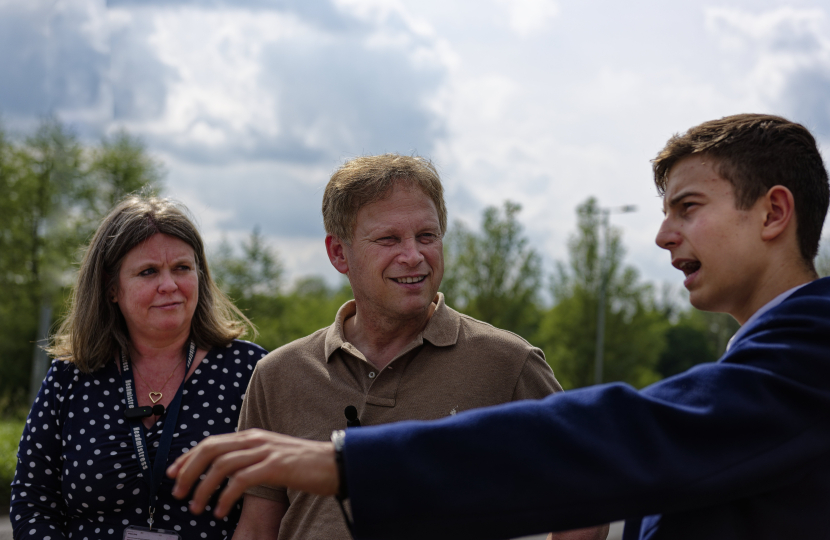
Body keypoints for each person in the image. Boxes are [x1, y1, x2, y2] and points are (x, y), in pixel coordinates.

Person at [169, 113, 830, 539]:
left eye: (688, 208)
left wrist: (347, 462)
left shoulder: (810, 351)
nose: (661, 236)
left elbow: (606, 443)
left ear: (773, 213)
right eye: (665, 212)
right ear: (338, 253)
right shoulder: (279, 371)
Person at [226, 154, 605, 540]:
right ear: (339, 253)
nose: (413, 256)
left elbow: (588, 495)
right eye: (389, 239)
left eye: (427, 236)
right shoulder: (278, 374)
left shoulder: (508, 364)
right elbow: (257, 527)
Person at [10, 195, 268, 540]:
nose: (169, 285)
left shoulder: (250, 371)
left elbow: (273, 504)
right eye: (149, 272)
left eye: (182, 268)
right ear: (111, 287)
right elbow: (33, 501)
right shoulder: (70, 377)